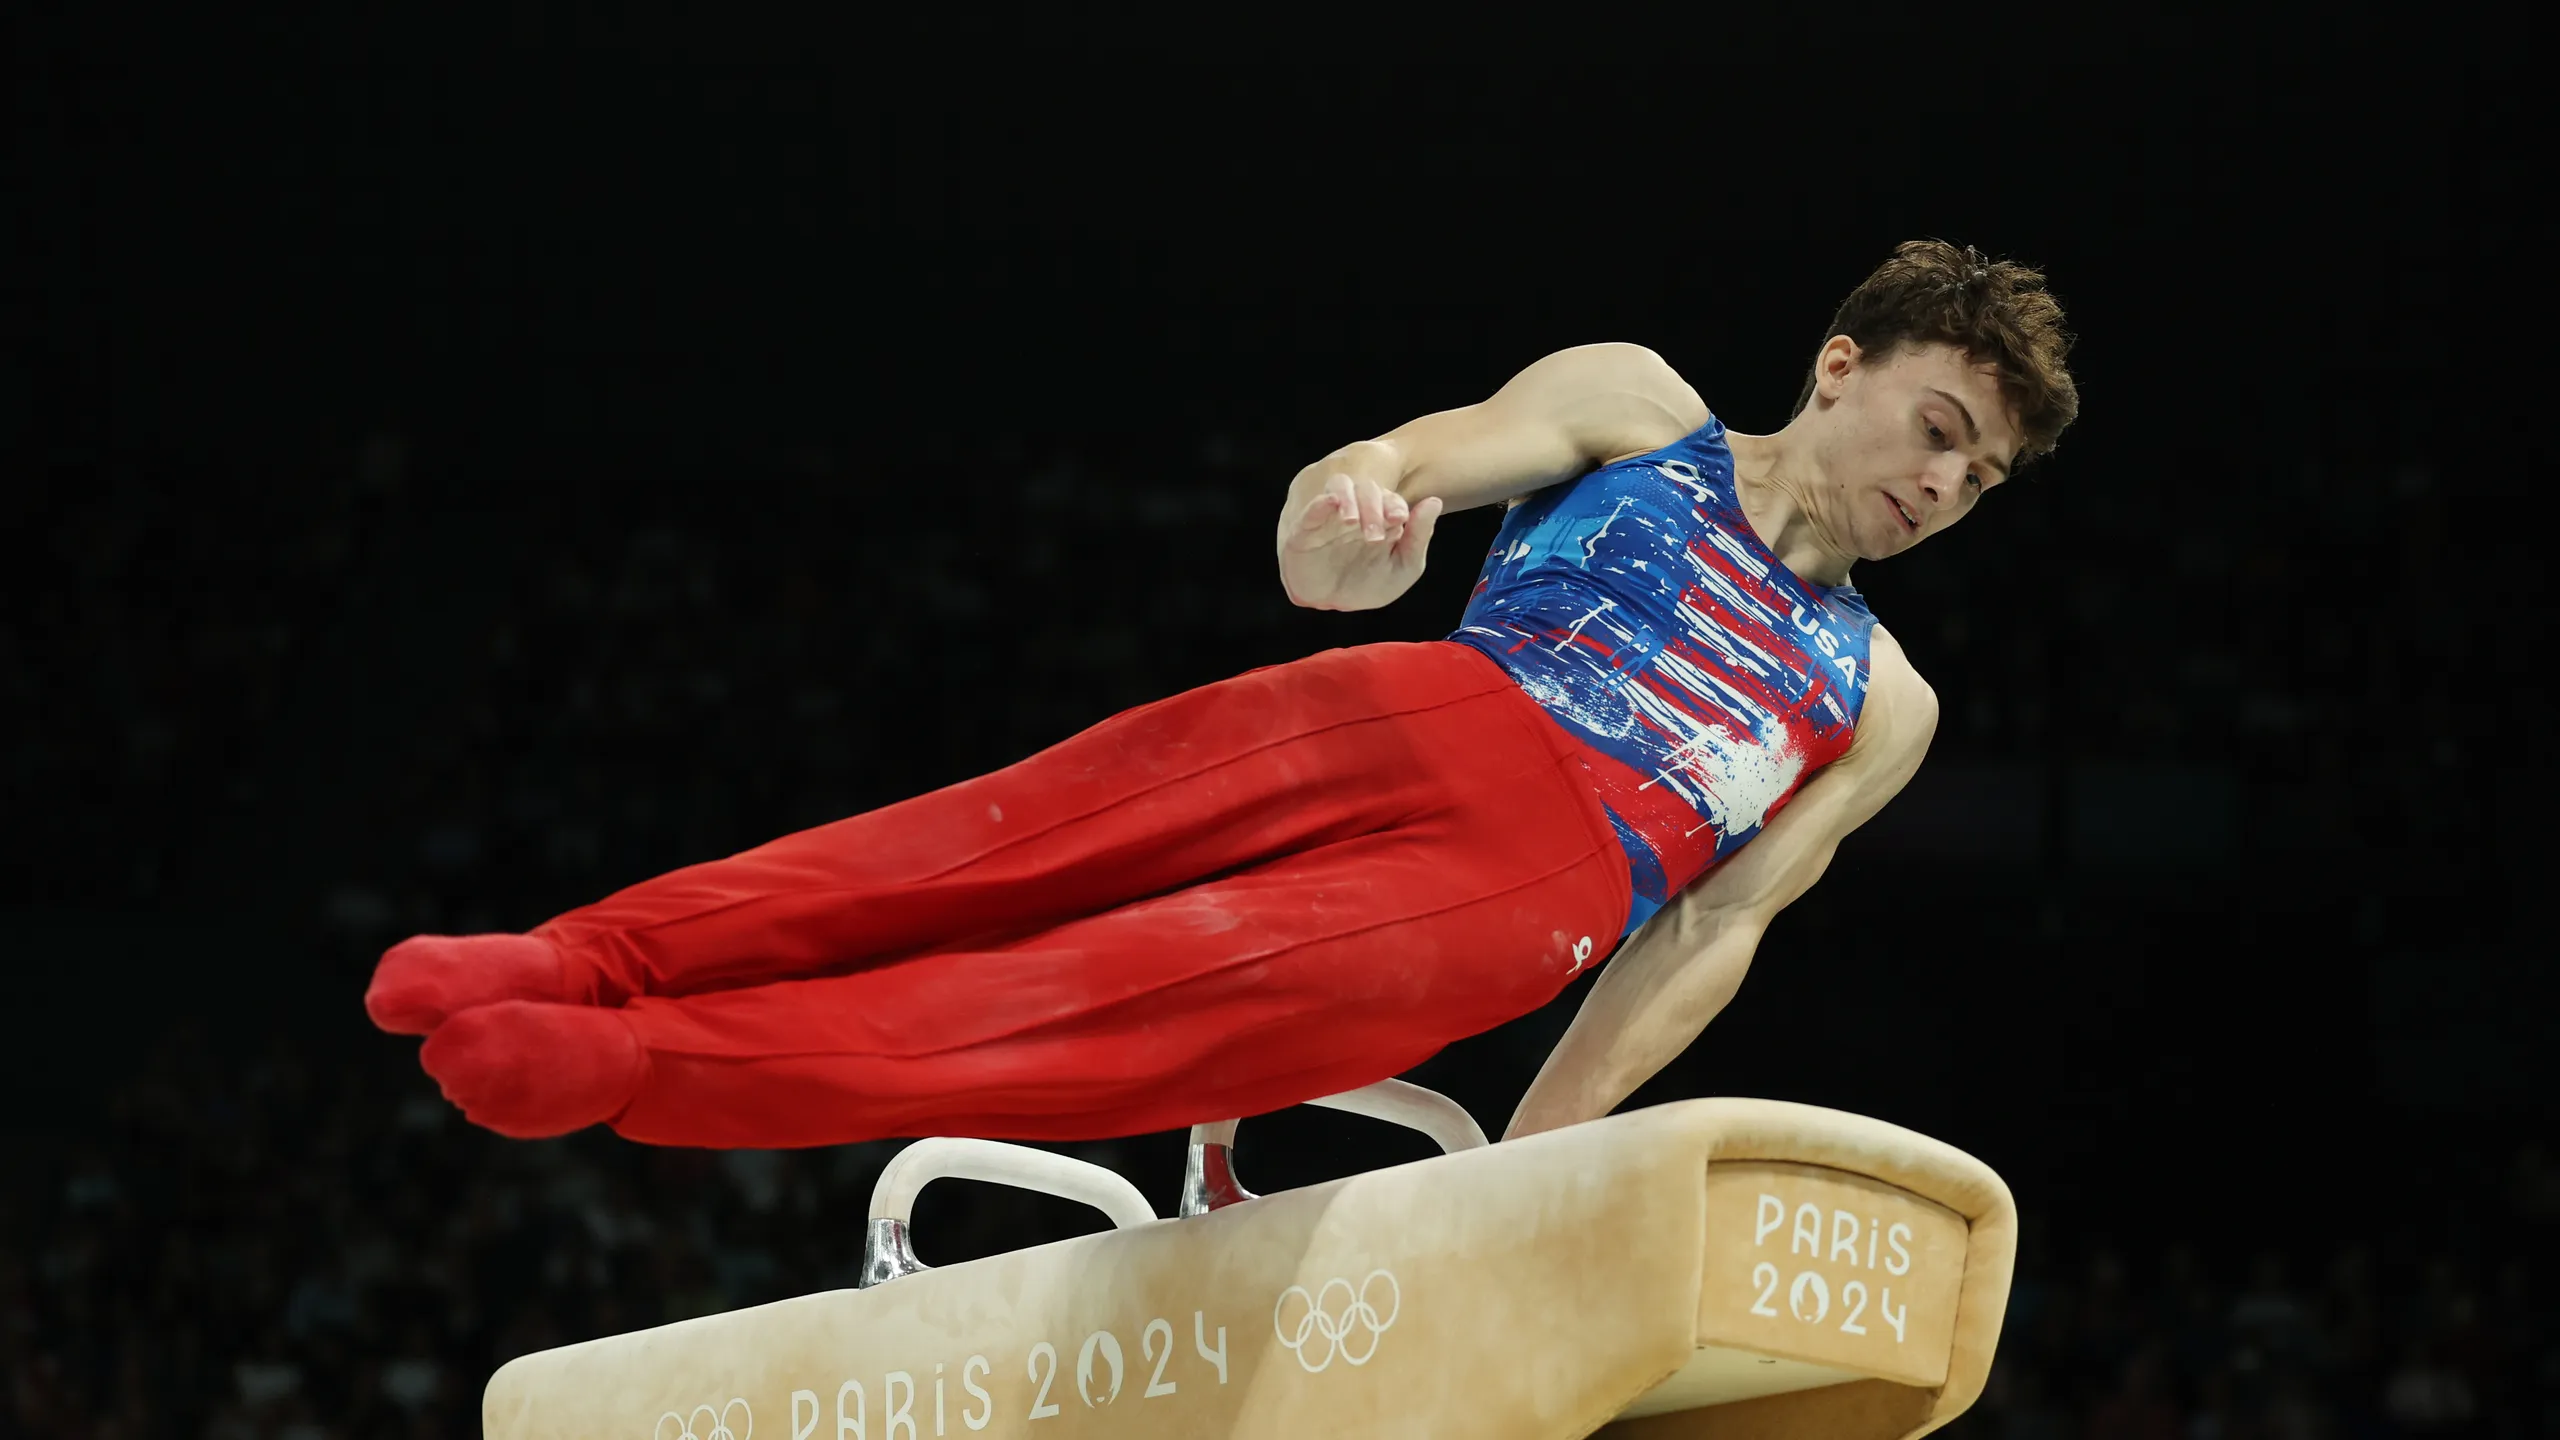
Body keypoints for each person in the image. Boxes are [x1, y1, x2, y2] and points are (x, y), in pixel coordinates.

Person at [365, 239, 2077, 1149]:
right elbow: (1384, 484)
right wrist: (1350, 520)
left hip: (1515, 902)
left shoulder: (1881, 703)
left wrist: (1526, 1164)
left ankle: (628, 1060)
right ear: (1840, 366)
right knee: (987, 845)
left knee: (1083, 1011)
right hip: (1416, 705)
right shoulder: (1639, 407)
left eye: (1982, 478)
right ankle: (576, 956)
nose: (1945, 486)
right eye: (1941, 429)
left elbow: (1710, 931)